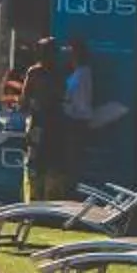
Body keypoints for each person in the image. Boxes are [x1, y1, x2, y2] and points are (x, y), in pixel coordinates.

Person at [15, 40, 65, 201]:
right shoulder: (59, 72)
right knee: (52, 163)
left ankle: (36, 201)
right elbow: (62, 96)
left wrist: (24, 106)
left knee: (36, 162)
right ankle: (49, 201)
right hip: (54, 122)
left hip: (39, 121)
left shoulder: (35, 72)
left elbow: (24, 100)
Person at [54, 37, 96, 198]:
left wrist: (64, 104)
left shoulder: (82, 75)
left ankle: (72, 195)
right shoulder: (78, 73)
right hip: (74, 121)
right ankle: (70, 193)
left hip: (76, 122)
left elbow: (80, 103)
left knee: (73, 161)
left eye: (71, 54)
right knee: (70, 161)